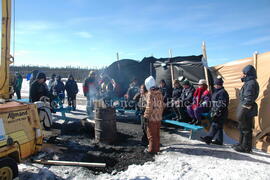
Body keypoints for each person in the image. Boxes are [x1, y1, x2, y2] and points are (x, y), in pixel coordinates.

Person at [233, 65, 259, 153]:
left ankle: (246, 147)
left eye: (244, 73)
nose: (243, 75)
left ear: (248, 74)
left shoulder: (251, 83)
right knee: (242, 127)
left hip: (246, 109)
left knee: (246, 129)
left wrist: (244, 108)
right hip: (244, 108)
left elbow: (249, 97)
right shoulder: (248, 82)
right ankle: (241, 144)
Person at [200, 78, 229, 145]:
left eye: (215, 84)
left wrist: (216, 111)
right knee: (219, 127)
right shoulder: (217, 91)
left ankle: (208, 138)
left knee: (215, 125)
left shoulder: (222, 92)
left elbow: (221, 104)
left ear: (219, 85)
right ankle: (219, 141)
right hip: (217, 111)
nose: (214, 86)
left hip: (221, 113)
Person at [144, 76, 165, 154]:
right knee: (157, 134)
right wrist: (159, 113)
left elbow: (149, 106)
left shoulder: (150, 93)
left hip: (152, 118)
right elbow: (163, 105)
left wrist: (146, 116)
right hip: (158, 117)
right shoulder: (160, 92)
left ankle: (152, 150)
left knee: (151, 135)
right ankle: (157, 149)